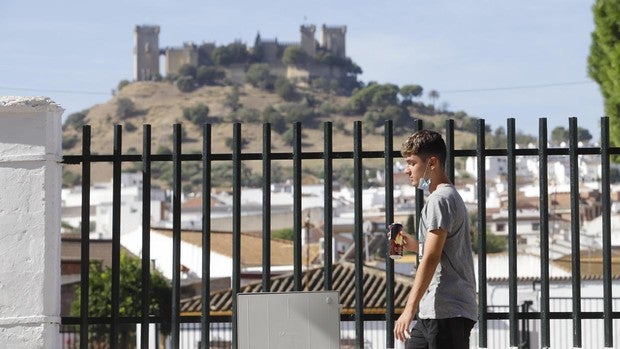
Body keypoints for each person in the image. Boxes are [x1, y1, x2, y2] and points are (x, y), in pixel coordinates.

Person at [392, 130, 477, 349]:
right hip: (435, 310)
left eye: (411, 162)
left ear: (432, 162)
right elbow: (439, 249)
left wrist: (408, 310)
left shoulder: (440, 199)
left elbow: (431, 257)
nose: (406, 169)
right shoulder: (446, 197)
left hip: (447, 311)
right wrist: (413, 245)